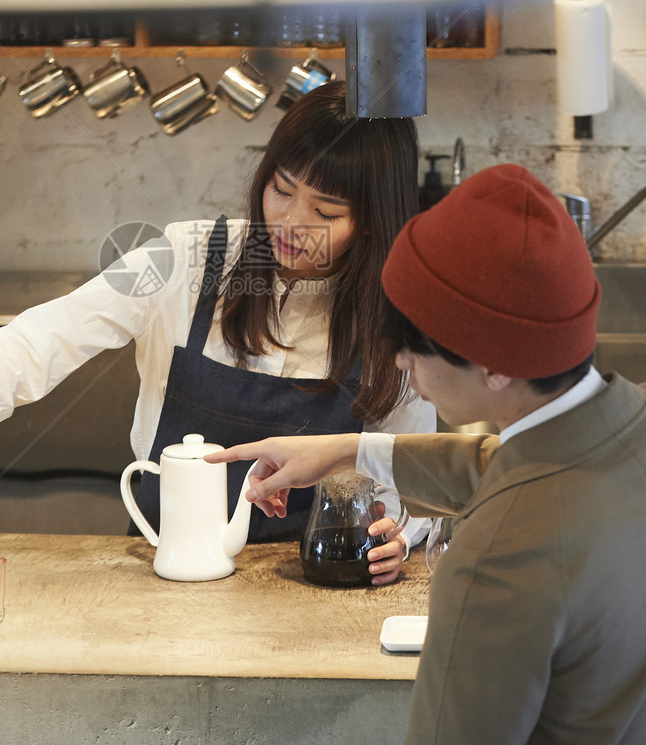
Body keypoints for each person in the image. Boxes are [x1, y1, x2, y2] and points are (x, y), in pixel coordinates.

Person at [0, 81, 436, 580]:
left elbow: (415, 469)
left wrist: (400, 533)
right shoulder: (186, 257)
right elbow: (44, 337)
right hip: (165, 577)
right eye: (280, 190)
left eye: (326, 213)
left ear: (373, 219)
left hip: (313, 588)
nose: (290, 223)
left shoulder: (393, 310)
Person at [206, 162, 646, 744]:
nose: (399, 364)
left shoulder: (497, 561)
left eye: (411, 348)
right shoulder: (619, 430)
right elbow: (507, 466)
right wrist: (348, 450)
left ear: (496, 365)